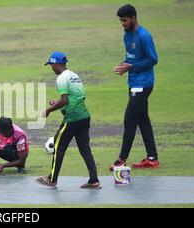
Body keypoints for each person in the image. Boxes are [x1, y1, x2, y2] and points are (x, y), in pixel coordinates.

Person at [36, 51, 101, 189]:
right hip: (84, 117)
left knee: (58, 147)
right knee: (85, 149)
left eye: (51, 65)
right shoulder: (74, 75)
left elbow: (64, 100)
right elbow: (76, 97)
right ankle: (94, 180)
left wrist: (48, 110)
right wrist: (57, 102)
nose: (51, 68)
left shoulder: (61, 79)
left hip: (72, 119)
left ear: (56, 64)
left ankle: (52, 179)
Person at [111, 4, 160, 171]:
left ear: (133, 18)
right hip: (133, 83)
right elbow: (130, 57)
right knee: (142, 120)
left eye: (124, 20)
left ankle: (121, 159)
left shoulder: (144, 36)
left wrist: (131, 67)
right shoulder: (127, 35)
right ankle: (152, 158)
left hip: (144, 84)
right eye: (120, 21)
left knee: (129, 120)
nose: (122, 24)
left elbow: (153, 59)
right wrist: (123, 66)